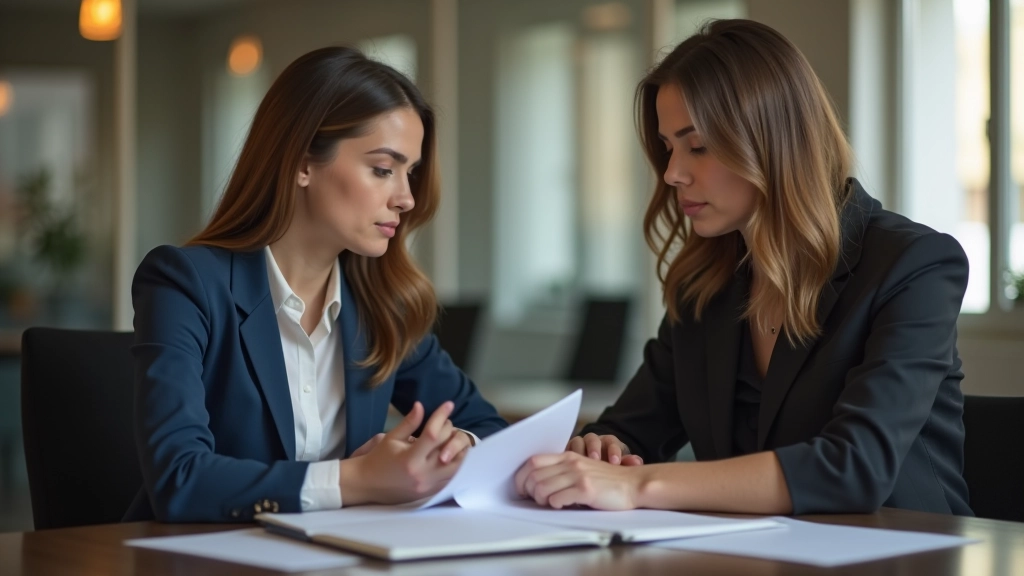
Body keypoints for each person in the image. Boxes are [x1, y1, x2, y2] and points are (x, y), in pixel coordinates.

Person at [514, 19, 972, 516]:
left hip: (905, 557)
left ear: (773, 140)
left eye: (699, 146)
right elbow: (628, 430)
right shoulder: (704, 287)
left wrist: (637, 486)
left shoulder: (913, 265)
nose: (672, 173)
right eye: (669, 147)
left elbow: (854, 468)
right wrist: (601, 450)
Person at [125, 46, 507, 523]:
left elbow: (487, 427)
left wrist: (452, 447)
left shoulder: (379, 306)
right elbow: (178, 479)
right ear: (303, 163)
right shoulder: (185, 284)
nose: (407, 197)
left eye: (410, 172)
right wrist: (360, 478)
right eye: (383, 170)